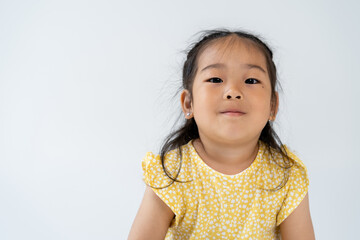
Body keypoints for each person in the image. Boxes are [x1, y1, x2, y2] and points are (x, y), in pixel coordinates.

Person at [128, 29, 315, 240]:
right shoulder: (172, 172)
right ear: (189, 103)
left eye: (251, 81)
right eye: (215, 79)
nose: (233, 91)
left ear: (273, 105)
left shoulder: (286, 175)